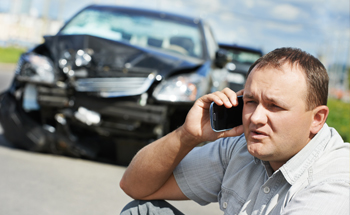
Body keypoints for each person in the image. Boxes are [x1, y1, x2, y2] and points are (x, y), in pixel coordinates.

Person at [119, 47, 350, 214]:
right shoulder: (239, 146)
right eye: (250, 102)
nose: (256, 118)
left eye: (274, 106)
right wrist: (187, 136)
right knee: (143, 211)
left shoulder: (336, 182)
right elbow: (136, 187)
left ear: (317, 119)